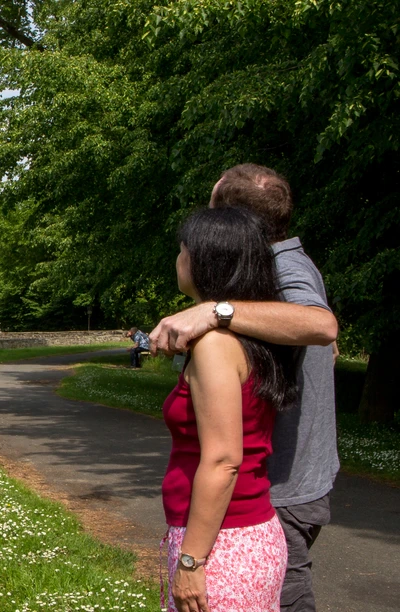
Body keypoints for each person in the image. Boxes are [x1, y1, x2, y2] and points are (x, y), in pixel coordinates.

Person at [151, 164, 338, 612]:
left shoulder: (284, 267)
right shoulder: (265, 285)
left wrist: (214, 311)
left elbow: (323, 326)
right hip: (258, 506)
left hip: (261, 505)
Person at [162, 207, 293, 612]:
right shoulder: (247, 336)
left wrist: (190, 561)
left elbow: (223, 460)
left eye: (182, 250)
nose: (178, 258)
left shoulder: (215, 345)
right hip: (242, 537)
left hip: (222, 546)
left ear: (204, 261)